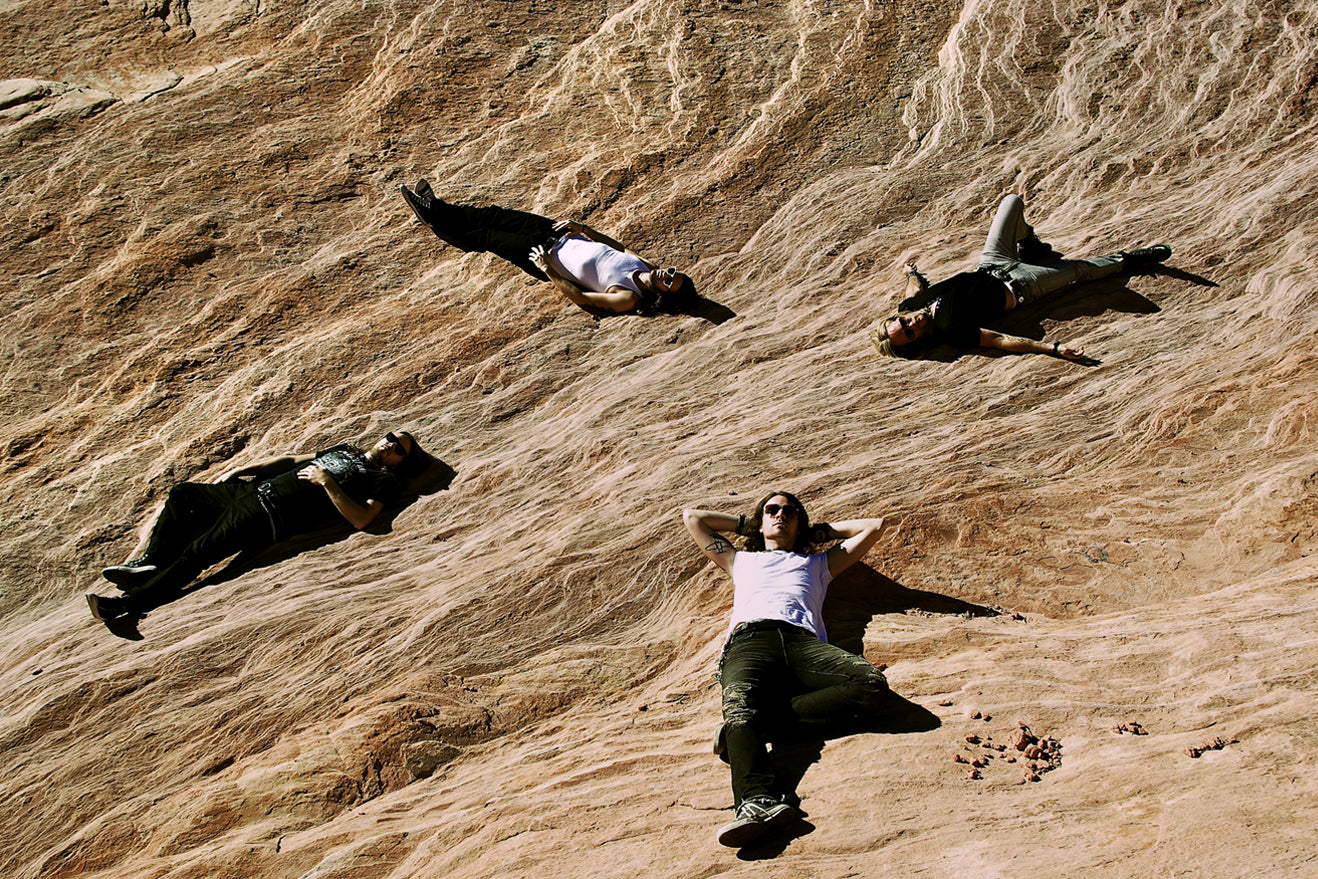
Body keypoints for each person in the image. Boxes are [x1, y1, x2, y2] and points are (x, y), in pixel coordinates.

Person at [682, 492, 892, 848]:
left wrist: (816, 533)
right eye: (772, 510)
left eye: (791, 512)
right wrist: (747, 524)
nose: (781, 515)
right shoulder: (740, 560)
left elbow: (874, 526)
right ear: (761, 521)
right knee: (739, 705)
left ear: (801, 522)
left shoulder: (820, 564)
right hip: (749, 640)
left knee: (869, 684)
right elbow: (693, 518)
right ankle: (754, 803)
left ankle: (747, 731)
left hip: (804, 644)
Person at [87, 430, 430, 625]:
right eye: (390, 438)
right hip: (252, 492)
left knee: (199, 553)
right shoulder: (346, 450)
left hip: (268, 514)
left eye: (399, 449)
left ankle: (125, 606)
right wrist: (248, 468)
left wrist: (328, 483)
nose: (389, 445)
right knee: (184, 494)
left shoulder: (380, 481)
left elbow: (362, 520)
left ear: (401, 462)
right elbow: (295, 461)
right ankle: (153, 560)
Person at [870, 194, 1171, 361]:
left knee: (1011, 202)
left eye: (905, 322)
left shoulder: (913, 305)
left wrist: (911, 273)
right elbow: (999, 340)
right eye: (910, 333)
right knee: (1080, 271)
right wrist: (1052, 348)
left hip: (991, 262)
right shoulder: (950, 330)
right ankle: (1130, 260)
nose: (913, 323)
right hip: (1025, 284)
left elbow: (912, 292)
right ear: (918, 341)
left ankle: (1029, 242)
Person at [399, 179, 695, 315]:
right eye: (673, 271)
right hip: (558, 233)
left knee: (487, 235)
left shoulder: (629, 297)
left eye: (669, 281)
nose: (666, 273)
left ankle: (434, 219)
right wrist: (585, 229)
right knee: (492, 214)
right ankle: (438, 207)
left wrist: (546, 270)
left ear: (662, 295)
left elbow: (583, 298)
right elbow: (618, 247)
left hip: (545, 257)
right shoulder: (645, 265)